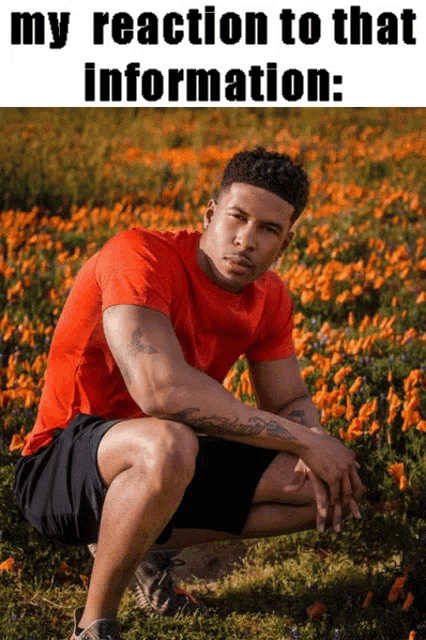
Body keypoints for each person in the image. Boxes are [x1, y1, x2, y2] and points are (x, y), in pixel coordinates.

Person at [14, 147, 363, 640]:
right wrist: (304, 441)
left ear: (285, 243)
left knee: (325, 486)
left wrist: (317, 439)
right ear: (210, 214)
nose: (246, 241)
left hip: (174, 450)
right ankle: (94, 626)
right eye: (237, 218)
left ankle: (139, 540)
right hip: (63, 462)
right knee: (168, 444)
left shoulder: (271, 298)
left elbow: (287, 402)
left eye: (268, 230)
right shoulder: (139, 255)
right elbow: (161, 389)